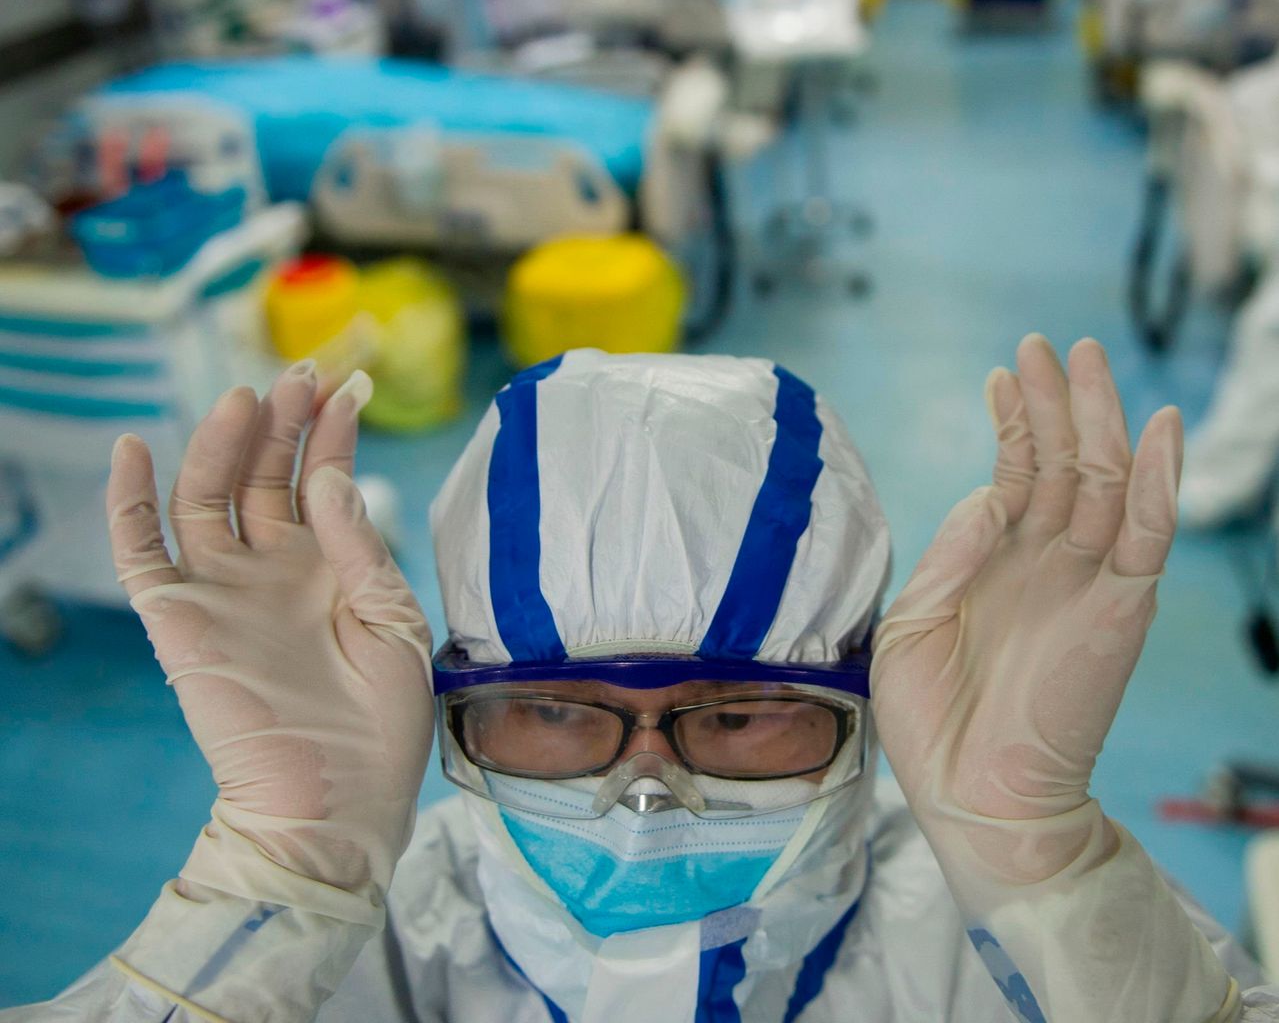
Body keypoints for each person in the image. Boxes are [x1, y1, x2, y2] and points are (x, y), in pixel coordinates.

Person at [8, 339, 1279, 1022]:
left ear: (870, 701)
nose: (647, 794)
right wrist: (271, 876)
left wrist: (1053, 872)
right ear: (454, 707)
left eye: (736, 714)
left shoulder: (990, 927)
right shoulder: (373, 930)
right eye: (557, 712)